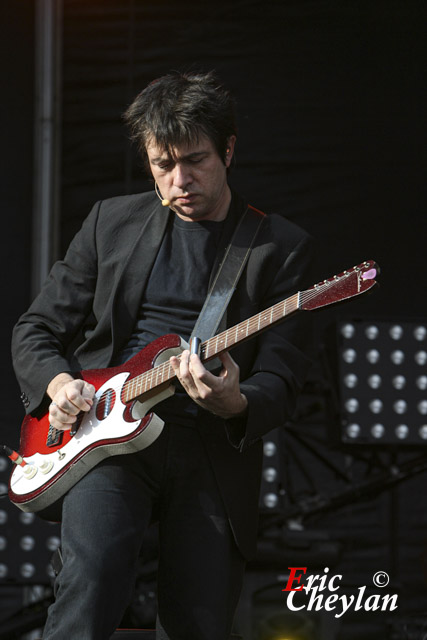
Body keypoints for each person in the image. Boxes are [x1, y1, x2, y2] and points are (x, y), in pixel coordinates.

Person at [12, 71, 315, 640]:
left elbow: (283, 378)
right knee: (91, 586)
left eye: (195, 160)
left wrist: (235, 401)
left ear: (228, 150)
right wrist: (57, 384)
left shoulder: (280, 247)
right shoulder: (111, 222)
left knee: (197, 623)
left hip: (209, 451)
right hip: (106, 437)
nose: (180, 180)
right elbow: (37, 328)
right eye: (162, 165)